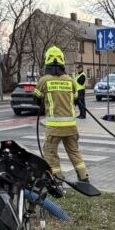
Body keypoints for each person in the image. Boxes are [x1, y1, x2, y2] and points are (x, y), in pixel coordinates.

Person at [34, 46, 92, 186]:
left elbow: (36, 100)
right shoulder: (70, 80)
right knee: (74, 151)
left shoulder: (44, 81)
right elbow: (76, 100)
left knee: (50, 152)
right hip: (71, 127)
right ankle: (84, 177)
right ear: (62, 62)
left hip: (54, 128)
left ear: (47, 61)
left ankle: (57, 179)